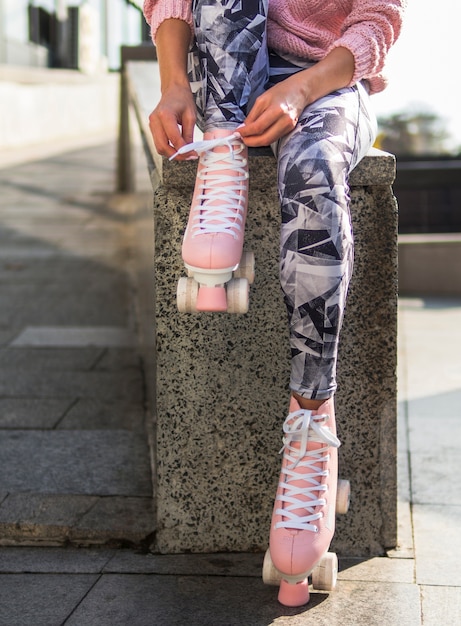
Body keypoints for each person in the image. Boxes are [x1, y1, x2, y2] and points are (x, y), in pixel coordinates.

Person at [143, 0, 406, 607]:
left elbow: (378, 20)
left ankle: (313, 429)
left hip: (328, 82)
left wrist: (302, 88)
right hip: (222, 76)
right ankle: (223, 163)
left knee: (314, 172)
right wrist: (174, 84)